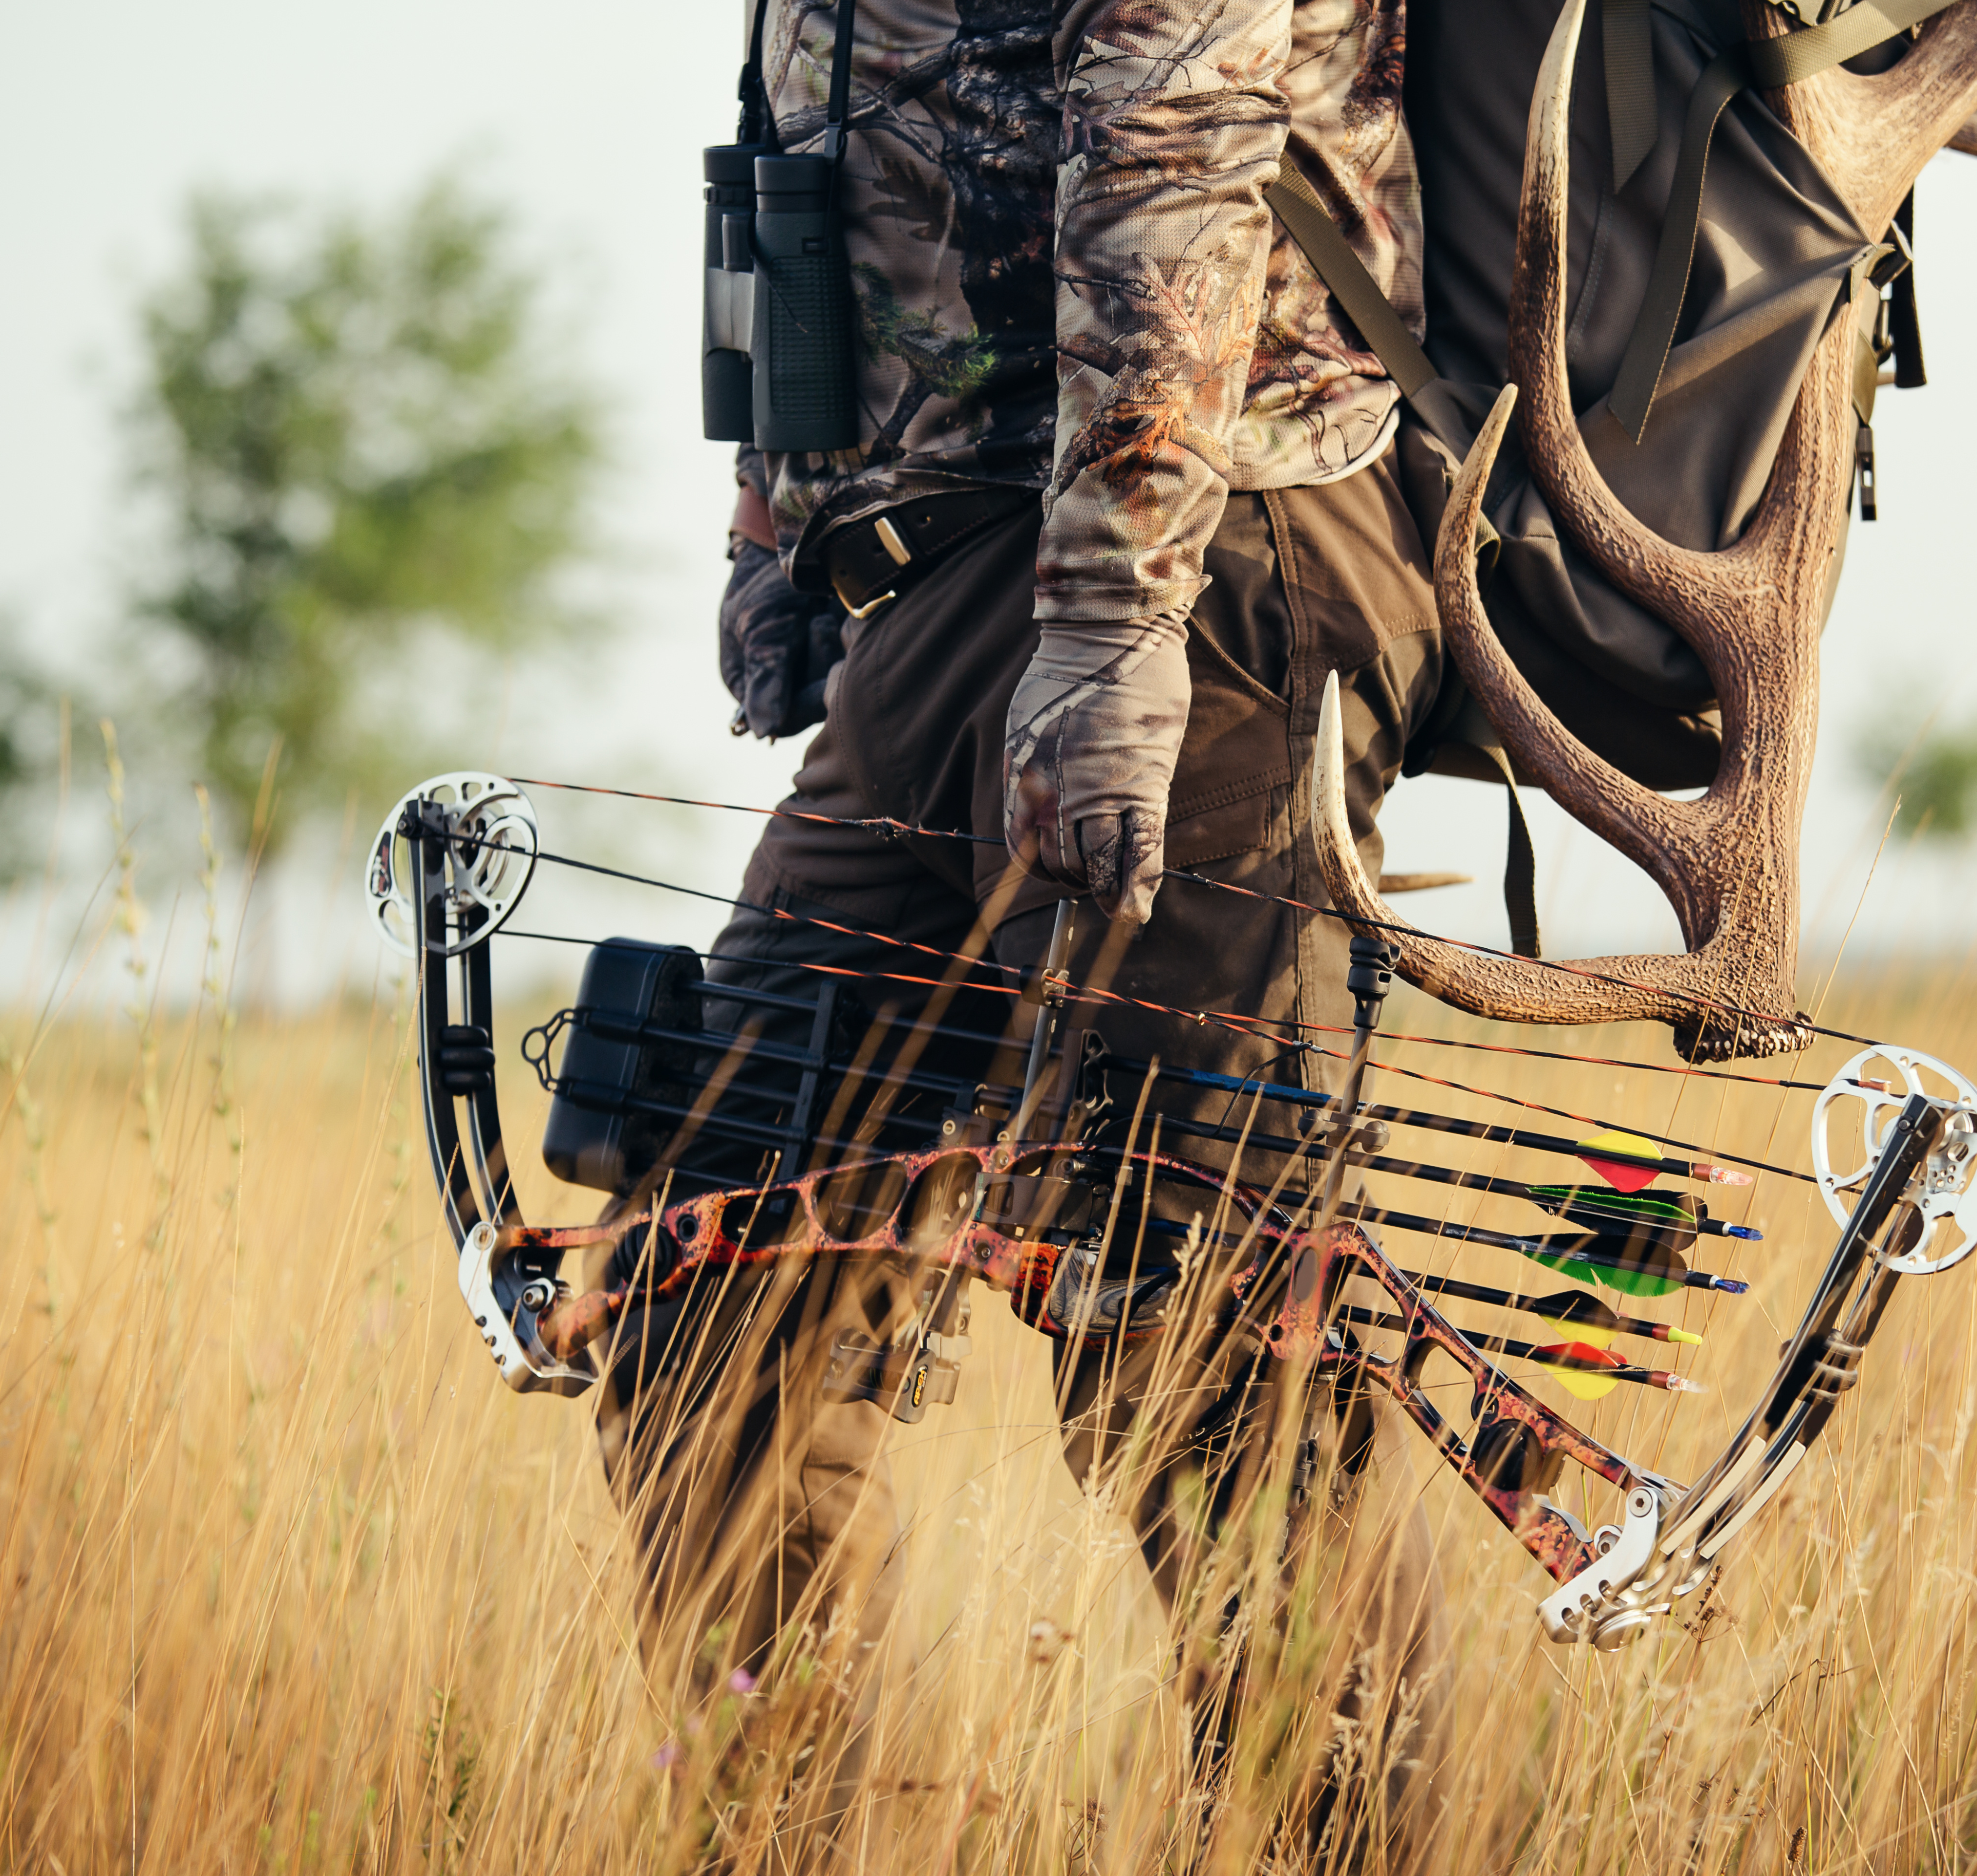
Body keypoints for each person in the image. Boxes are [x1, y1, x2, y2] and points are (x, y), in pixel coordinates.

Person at [574, 2, 1454, 1864]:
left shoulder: (1147, 590)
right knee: (706, 1281)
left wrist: (1112, 608)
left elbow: (1180, 127)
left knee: (1203, 1343)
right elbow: (814, 127)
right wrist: (781, 512)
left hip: (1204, 577)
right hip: (945, 595)